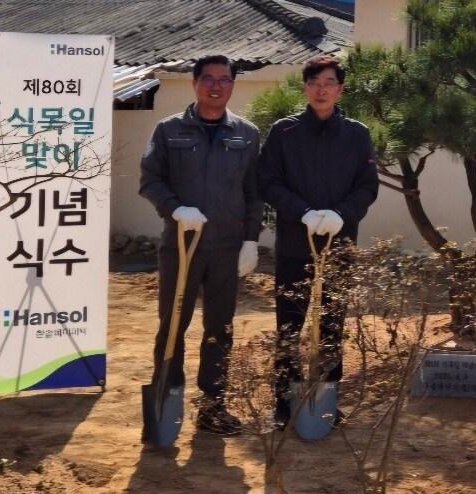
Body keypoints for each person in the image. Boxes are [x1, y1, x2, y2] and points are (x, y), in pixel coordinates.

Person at [139, 54, 263, 436]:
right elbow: (150, 180)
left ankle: (213, 405)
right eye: (208, 78)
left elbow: (253, 192)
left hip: (226, 249)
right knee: (173, 325)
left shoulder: (246, 134)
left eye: (224, 80)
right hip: (181, 245)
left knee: (220, 328)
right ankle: (168, 397)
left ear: (232, 85)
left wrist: (250, 241)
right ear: (194, 83)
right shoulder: (169, 130)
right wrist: (176, 209)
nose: (215, 86)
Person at [257, 55, 379, 428]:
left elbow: (367, 186)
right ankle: (284, 399)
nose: (321, 89)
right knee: (290, 322)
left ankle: (327, 393)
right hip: (296, 242)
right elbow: (268, 182)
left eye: (328, 82)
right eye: (314, 82)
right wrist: (302, 211)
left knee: (331, 321)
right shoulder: (284, 132)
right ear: (305, 87)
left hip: (339, 243)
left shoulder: (357, 134)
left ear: (341, 89)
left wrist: (342, 213)